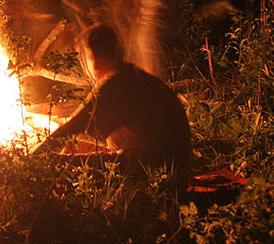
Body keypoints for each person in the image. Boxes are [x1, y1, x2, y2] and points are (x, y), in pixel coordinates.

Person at [33, 24, 192, 196]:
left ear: (92, 56)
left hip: (157, 176)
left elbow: (71, 128)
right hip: (178, 169)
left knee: (61, 164)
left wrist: (31, 159)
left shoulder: (114, 84)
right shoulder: (135, 76)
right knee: (86, 150)